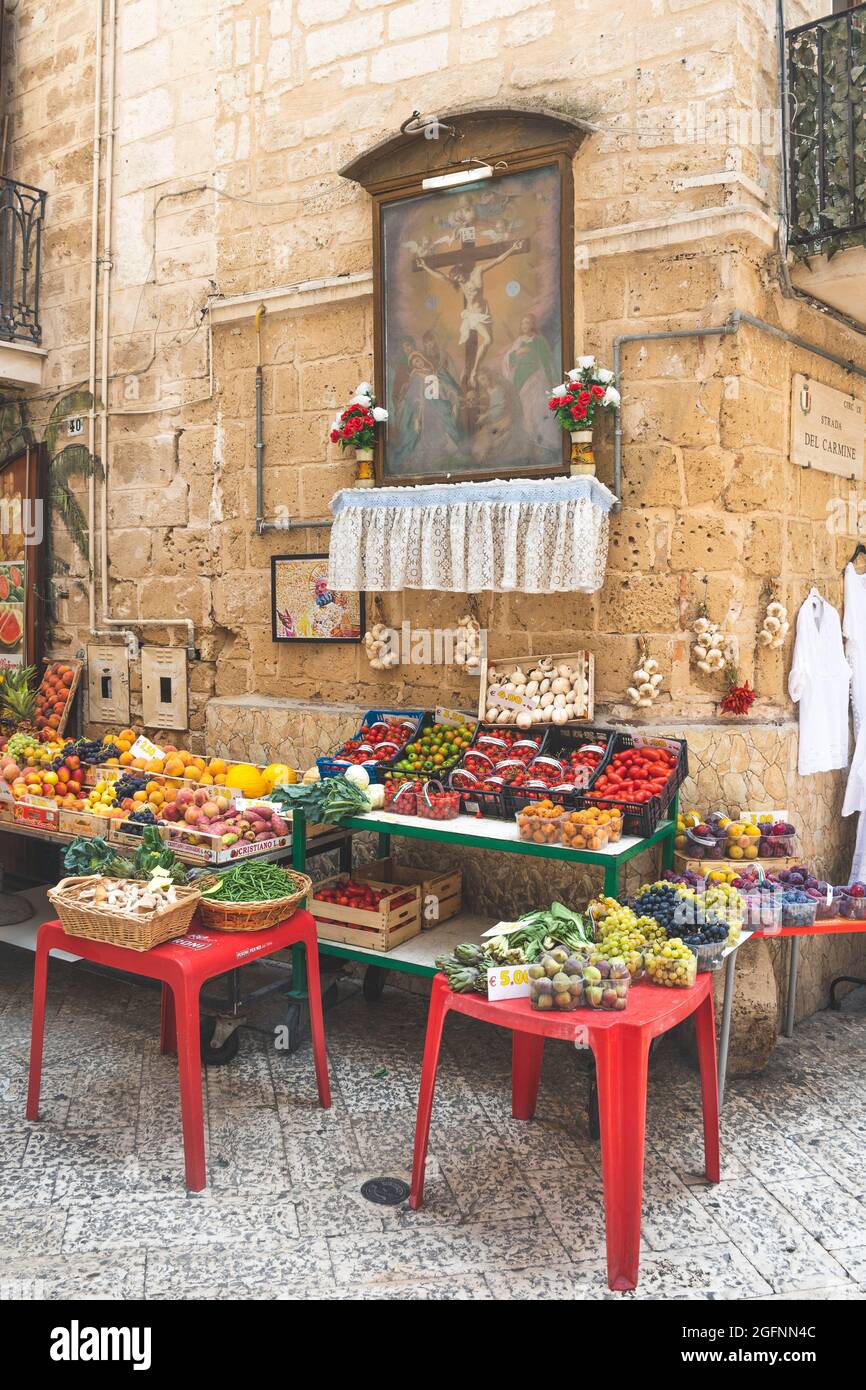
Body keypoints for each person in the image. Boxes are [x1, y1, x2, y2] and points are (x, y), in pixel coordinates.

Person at [415, 240, 526, 387]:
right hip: (473, 315)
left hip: (485, 312)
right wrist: (425, 266)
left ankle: (472, 370)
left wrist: (512, 249)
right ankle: (473, 371)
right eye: (456, 280)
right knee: (487, 340)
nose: (459, 281)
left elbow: (497, 261)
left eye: (459, 277)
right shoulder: (459, 282)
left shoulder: (477, 271)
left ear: (461, 271)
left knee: (489, 341)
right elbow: (441, 277)